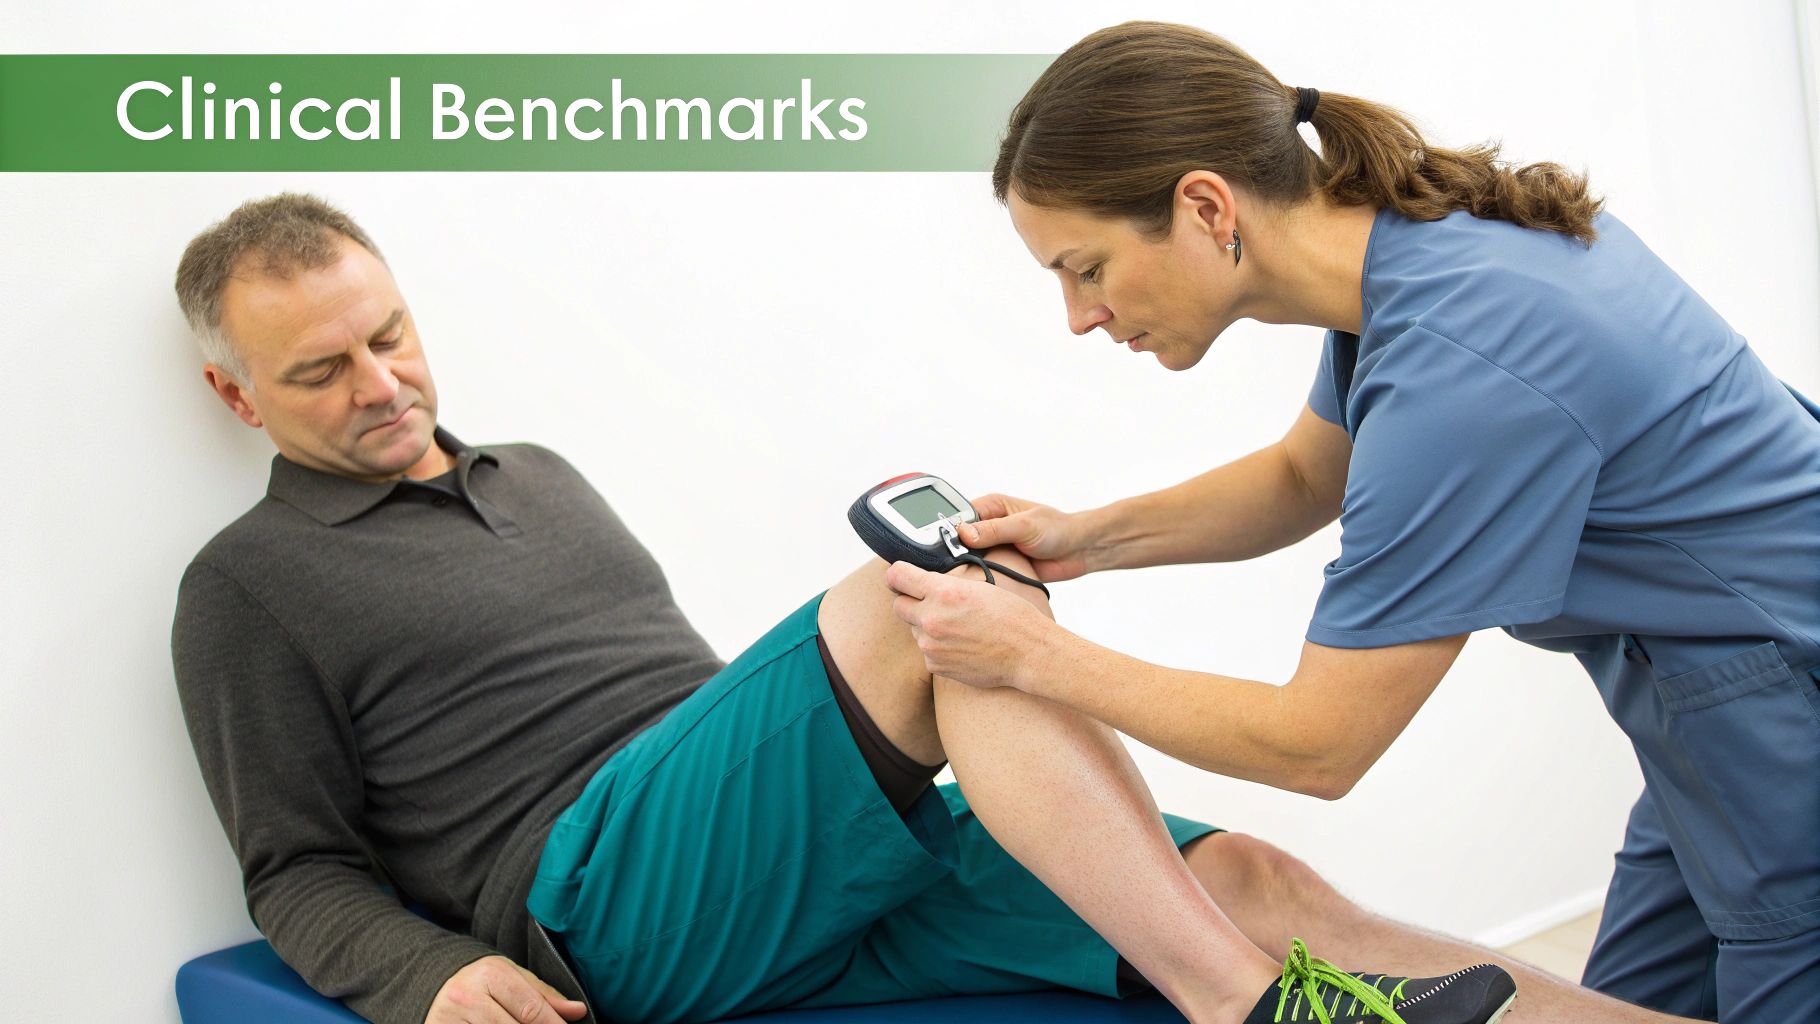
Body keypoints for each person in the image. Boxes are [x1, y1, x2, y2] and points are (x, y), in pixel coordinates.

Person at [170, 193, 1692, 1024]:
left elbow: (681, 698)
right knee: (917, 601)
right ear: (233, 393)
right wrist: (430, 977)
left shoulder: (541, 472)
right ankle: (1246, 1021)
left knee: (1261, 882)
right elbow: (293, 867)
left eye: (389, 339)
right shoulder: (250, 587)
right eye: (320, 372)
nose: (382, 387)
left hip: (792, 871)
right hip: (601, 901)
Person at [882, 20, 1820, 1024]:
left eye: (1086, 268)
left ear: (1204, 205)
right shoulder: (1412, 260)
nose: (1078, 316)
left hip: (1782, 718)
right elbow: (1300, 475)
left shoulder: (1465, 355)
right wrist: (1087, 537)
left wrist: (1030, 658)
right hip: (1707, 711)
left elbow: (1317, 744)